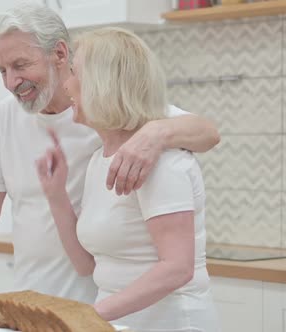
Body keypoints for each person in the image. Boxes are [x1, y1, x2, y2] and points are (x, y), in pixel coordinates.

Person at [0, 3, 220, 304]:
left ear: (59, 54)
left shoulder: (110, 114)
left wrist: (157, 132)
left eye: (20, 65)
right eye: (2, 70)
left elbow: (208, 133)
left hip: (104, 304)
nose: (10, 82)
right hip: (35, 299)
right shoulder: (6, 117)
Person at [36, 27, 220, 331]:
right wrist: (56, 196)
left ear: (102, 84)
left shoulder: (158, 159)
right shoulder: (100, 158)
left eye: (74, 73)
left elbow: (177, 268)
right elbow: (87, 265)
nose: (66, 84)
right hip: (120, 324)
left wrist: (89, 315)